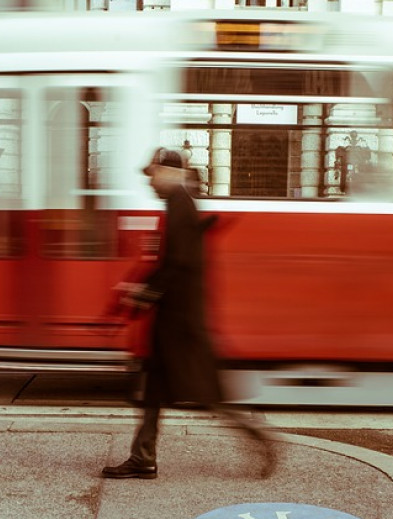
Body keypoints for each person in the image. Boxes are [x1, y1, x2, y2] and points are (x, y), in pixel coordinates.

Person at [101, 147, 277, 481]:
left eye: (152, 175)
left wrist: (145, 292)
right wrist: (143, 291)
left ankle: (258, 436)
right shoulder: (178, 203)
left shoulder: (180, 204)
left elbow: (179, 262)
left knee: (205, 395)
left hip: (180, 325)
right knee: (154, 391)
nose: (150, 182)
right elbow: (171, 261)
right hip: (172, 320)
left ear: (168, 173)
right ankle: (142, 459)